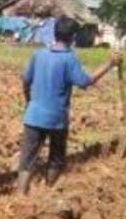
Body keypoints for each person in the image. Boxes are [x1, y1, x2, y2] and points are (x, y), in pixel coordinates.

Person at [17, 16, 122, 193]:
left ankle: (21, 195)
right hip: (57, 119)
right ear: (73, 37)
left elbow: (26, 81)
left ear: (54, 33)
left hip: (33, 116)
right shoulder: (69, 58)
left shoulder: (38, 55)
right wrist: (109, 65)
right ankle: (49, 191)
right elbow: (85, 81)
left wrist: (29, 101)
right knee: (56, 159)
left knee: (27, 160)